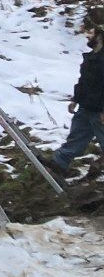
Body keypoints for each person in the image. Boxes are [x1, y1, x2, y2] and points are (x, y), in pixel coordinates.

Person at [48, 21, 104, 177]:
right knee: (76, 138)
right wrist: (76, 99)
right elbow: (83, 80)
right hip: (86, 106)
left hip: (99, 110)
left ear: (100, 36)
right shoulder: (91, 57)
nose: (88, 35)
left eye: (92, 33)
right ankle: (58, 164)